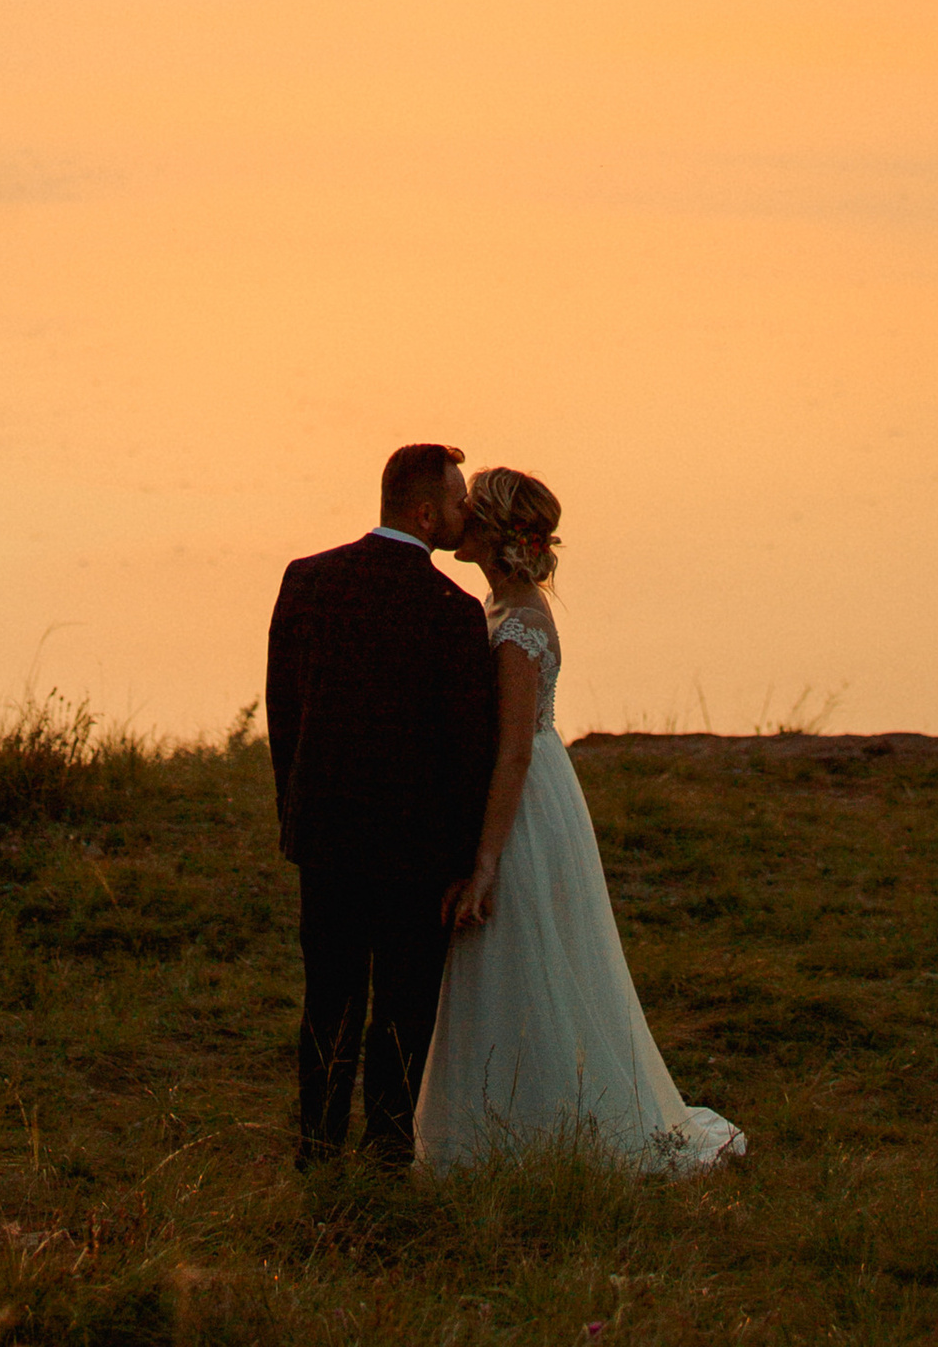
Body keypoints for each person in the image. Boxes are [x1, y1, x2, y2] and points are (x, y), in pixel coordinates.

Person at [414, 465, 743, 1171]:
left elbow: (511, 755)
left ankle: (537, 1127)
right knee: (517, 961)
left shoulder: (520, 625)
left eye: (470, 510)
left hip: (523, 811)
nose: (458, 517)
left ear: (494, 533)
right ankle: (512, 1117)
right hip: (532, 796)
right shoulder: (507, 608)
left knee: (517, 953)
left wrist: (485, 860)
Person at [266, 441, 500, 1165]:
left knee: (328, 1001)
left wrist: (294, 813)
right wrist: (465, 859)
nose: (468, 512)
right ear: (426, 513)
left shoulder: (307, 580)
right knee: (402, 1008)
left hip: (327, 836)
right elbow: (468, 751)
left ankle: (317, 1150)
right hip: (415, 849)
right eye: (460, 501)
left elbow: (284, 711)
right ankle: (388, 1150)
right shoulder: (450, 611)